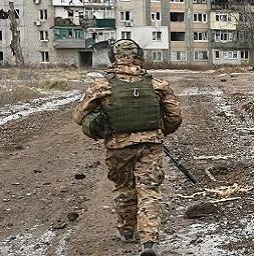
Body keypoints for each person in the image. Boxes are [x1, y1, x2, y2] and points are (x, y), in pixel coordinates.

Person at [72, 39, 182, 256]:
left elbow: (78, 116)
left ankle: (127, 231)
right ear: (139, 56)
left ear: (113, 58)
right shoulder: (157, 84)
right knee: (149, 190)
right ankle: (149, 241)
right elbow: (175, 117)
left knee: (124, 188)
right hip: (151, 145)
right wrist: (159, 132)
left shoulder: (101, 86)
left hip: (118, 146)